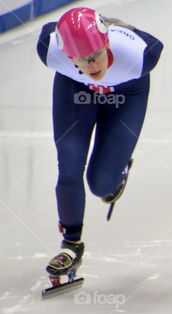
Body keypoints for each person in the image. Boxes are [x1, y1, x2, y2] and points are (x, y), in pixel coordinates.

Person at [37, 7, 163, 295]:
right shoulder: (50, 49)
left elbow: (155, 42)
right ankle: (71, 245)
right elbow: (50, 29)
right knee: (69, 166)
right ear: (66, 55)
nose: (92, 65)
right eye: (81, 59)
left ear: (106, 42)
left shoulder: (139, 55)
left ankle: (119, 169)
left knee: (102, 185)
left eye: (95, 55)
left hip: (127, 93)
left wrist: (116, 26)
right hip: (75, 88)